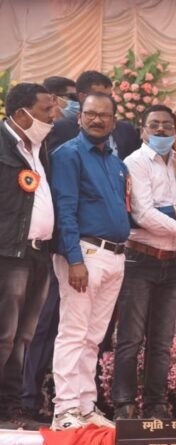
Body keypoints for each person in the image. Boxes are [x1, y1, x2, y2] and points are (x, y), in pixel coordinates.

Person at [112, 105, 176, 420]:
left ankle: (155, 406)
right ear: (142, 130)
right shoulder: (134, 162)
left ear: (175, 131)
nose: (160, 131)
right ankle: (124, 406)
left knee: (162, 342)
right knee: (131, 338)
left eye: (167, 126)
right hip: (139, 259)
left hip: (171, 263)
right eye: (154, 125)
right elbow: (142, 214)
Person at [49, 92, 130, 430]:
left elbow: (127, 212)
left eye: (103, 115)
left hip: (116, 255)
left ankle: (85, 406)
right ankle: (64, 409)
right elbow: (65, 209)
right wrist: (74, 258)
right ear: (80, 117)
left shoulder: (116, 162)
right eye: (90, 113)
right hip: (84, 253)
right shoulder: (68, 155)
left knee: (94, 336)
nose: (97, 119)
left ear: (114, 121)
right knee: (73, 332)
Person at [0, 83, 55, 430]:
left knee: (23, 337)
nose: (54, 116)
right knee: (3, 335)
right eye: (46, 110)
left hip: (38, 254)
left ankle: (9, 408)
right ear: (22, 114)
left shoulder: (39, 146)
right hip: (8, 254)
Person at [45, 70, 141, 159]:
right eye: (100, 96)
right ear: (82, 97)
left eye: (109, 96)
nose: (107, 101)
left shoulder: (126, 130)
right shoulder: (61, 129)